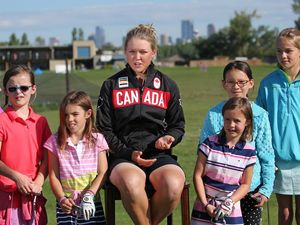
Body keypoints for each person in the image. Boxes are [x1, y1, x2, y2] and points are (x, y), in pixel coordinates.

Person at [96, 24, 185, 225]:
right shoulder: (111, 85)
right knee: (131, 182)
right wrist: (128, 153)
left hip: (158, 156)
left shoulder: (167, 84)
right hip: (123, 157)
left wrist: (170, 138)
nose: (138, 57)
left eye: (143, 52)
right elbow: (104, 130)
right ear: (125, 53)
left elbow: (177, 125)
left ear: (153, 52)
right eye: (132, 52)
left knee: (173, 185)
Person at [199, 60, 275, 225]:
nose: (236, 86)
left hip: (250, 191)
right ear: (224, 84)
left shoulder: (260, 115)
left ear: (251, 83)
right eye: (231, 82)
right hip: (217, 191)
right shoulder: (214, 114)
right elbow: (203, 153)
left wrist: (266, 189)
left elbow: (267, 155)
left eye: (242, 82)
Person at [256, 28, 300, 225]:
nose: (283, 55)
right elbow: (259, 121)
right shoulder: (268, 83)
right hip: (277, 160)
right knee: (284, 214)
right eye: (279, 51)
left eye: (288, 51)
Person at [45, 91, 108, 225]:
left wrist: (89, 195)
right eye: (66, 115)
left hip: (91, 206)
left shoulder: (98, 139)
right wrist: (62, 199)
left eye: (75, 114)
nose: (69, 119)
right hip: (66, 208)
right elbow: (53, 175)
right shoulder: (54, 142)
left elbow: (103, 171)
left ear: (88, 114)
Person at [191, 97, 256, 225]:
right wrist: (205, 204)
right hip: (204, 207)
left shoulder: (249, 152)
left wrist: (230, 202)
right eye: (227, 119)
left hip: (230, 210)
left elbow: (245, 185)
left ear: (247, 122)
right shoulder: (209, 144)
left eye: (237, 121)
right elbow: (197, 175)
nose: (231, 125)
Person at [0, 65, 51, 225]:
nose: (18, 92)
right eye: (12, 88)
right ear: (5, 91)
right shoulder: (1, 121)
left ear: (33, 89)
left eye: (23, 87)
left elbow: (48, 158)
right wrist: (16, 177)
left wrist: (39, 182)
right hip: (6, 199)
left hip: (32, 197)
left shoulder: (41, 122)